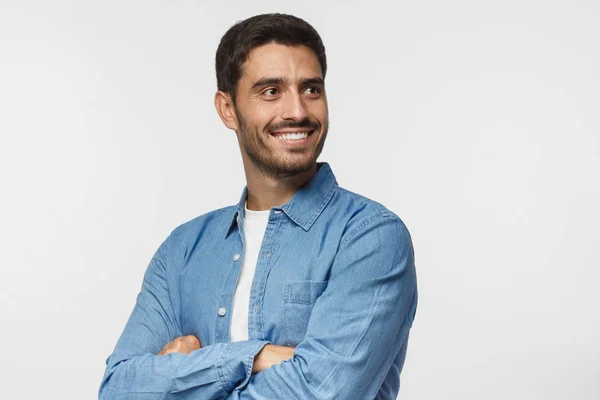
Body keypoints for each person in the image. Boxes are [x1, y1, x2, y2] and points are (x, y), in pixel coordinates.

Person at [99, 13, 418, 400]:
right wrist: (257, 356)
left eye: (311, 90)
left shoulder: (370, 237)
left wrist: (184, 375)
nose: (298, 111)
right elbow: (119, 388)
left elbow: (324, 393)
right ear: (227, 109)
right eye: (271, 91)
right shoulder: (183, 250)